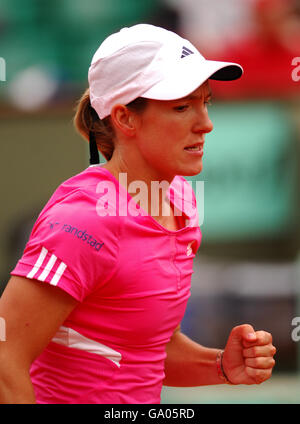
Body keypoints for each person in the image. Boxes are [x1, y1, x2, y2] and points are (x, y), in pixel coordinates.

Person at [0, 24, 276, 404]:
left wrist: (221, 367)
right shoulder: (83, 221)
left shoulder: (182, 200)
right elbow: (4, 356)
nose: (205, 124)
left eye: (205, 102)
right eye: (182, 106)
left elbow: (140, 349)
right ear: (125, 118)